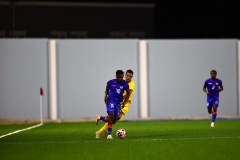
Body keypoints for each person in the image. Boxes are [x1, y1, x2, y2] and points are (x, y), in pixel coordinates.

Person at [96, 69, 135, 138]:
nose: (128, 77)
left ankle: (100, 118)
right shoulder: (115, 82)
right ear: (125, 75)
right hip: (116, 102)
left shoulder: (131, 84)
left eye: (130, 76)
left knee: (113, 120)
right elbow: (108, 89)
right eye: (127, 75)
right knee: (111, 117)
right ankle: (102, 133)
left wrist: (123, 102)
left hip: (125, 105)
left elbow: (128, 94)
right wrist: (107, 96)